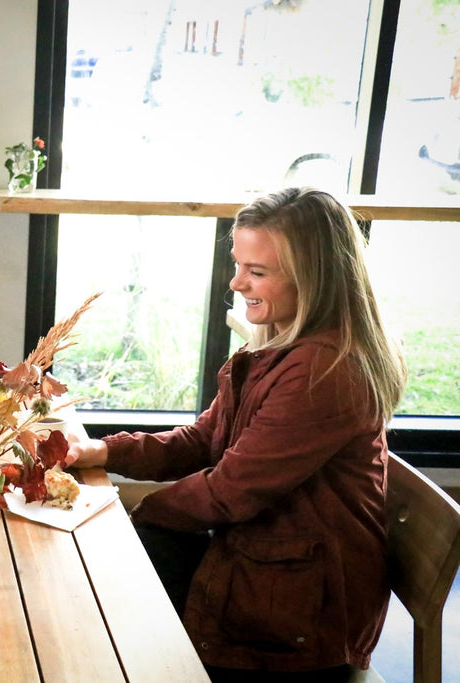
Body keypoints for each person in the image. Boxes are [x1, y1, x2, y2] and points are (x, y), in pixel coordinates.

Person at [66, 187, 407, 682]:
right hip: (267, 561)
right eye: (238, 263)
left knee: (101, 596)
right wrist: (102, 451)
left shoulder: (326, 371)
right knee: (107, 585)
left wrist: (121, 507)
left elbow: (229, 492)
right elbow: (206, 438)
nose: (236, 281)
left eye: (257, 272)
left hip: (297, 617)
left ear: (315, 280)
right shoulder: (283, 344)